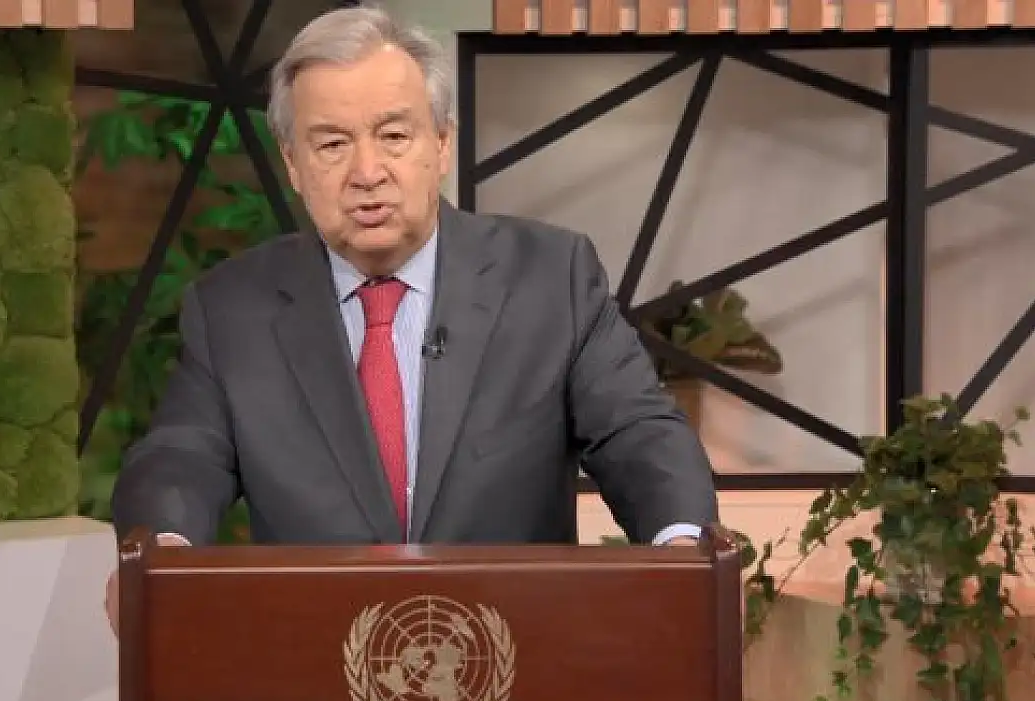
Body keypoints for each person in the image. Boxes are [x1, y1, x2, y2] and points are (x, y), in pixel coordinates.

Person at [105, 6, 718, 633]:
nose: (367, 174)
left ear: (442, 143)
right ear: (292, 164)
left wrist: (682, 544)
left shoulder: (550, 279)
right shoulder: (232, 308)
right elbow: (183, 454)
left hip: (518, 646)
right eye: (332, 145)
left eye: (394, 136)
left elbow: (637, 431)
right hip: (313, 652)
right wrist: (162, 553)